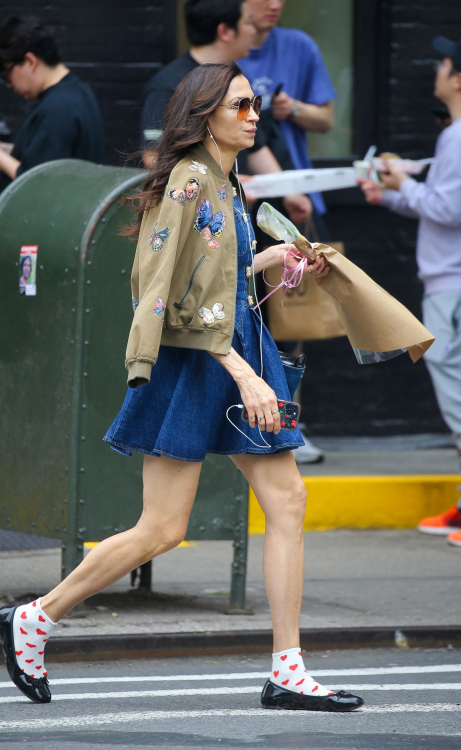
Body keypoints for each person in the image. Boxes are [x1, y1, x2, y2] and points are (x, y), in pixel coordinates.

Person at [0, 62, 364, 713]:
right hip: (203, 367)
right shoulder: (191, 183)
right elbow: (158, 291)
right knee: (162, 528)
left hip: (229, 358)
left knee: (287, 499)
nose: (255, 115)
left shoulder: (226, 183)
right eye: (242, 106)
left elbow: (210, 279)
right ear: (205, 115)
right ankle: (36, 617)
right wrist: (245, 372)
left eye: (255, 106)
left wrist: (267, 261)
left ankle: (288, 667)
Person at [359, 35, 461, 549]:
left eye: (444, 63)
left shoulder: (460, 137)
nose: (437, 70)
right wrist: (395, 191)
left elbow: (447, 209)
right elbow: (440, 203)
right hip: (448, 281)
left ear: (458, 77)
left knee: (455, 388)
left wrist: (401, 184)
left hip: (453, 286)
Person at [141, 0, 312, 227]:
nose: (254, 31)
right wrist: (221, 183)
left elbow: (256, 146)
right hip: (196, 221)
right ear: (225, 31)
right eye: (248, 23)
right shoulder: (168, 85)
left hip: (238, 216)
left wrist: (287, 192)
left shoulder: (236, 81)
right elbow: (154, 157)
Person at [238, 0, 336, 237]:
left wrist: (293, 109)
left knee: (310, 270)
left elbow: (326, 120)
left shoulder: (300, 45)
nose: (275, 5)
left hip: (295, 190)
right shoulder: (226, 55)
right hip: (243, 194)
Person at [0, 16, 104, 180]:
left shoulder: (58, 108)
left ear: (30, 61)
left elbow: (41, 183)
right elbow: (51, 157)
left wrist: (0, 160)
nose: (9, 85)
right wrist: (5, 149)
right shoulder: (76, 92)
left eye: (7, 75)